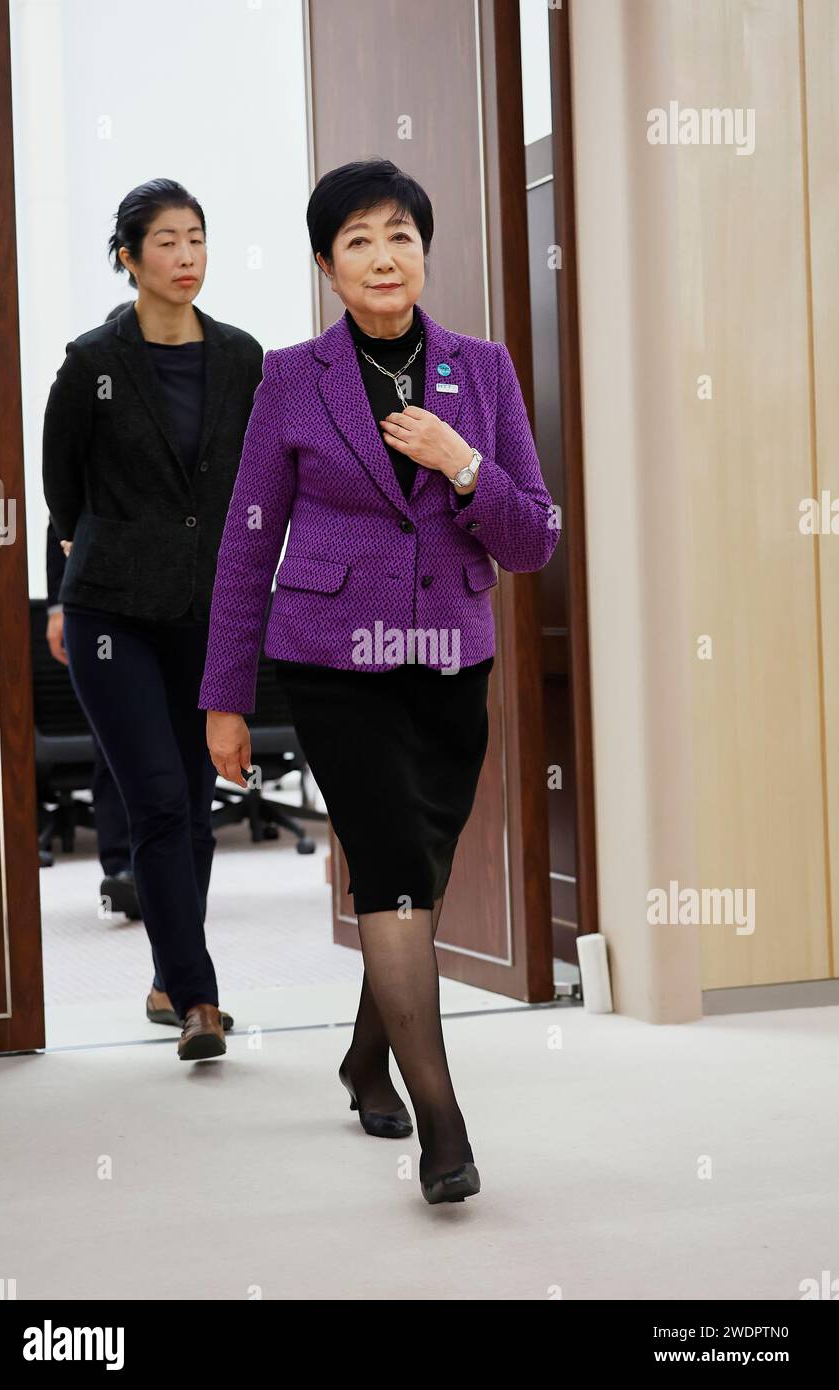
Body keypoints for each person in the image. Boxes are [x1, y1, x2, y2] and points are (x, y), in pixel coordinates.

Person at [198, 158, 561, 1203]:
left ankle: (364, 1059)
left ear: (423, 251)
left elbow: (531, 536)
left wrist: (461, 464)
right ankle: (442, 1127)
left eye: (397, 233)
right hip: (331, 663)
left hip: (449, 659)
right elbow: (244, 541)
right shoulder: (289, 378)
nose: (381, 255)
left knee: (422, 880)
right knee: (393, 875)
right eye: (356, 239)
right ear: (326, 265)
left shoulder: (481, 371)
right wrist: (226, 694)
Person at [42, 178, 264, 1057]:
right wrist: (70, 589)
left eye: (197, 240)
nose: (186, 258)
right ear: (129, 258)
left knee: (197, 806)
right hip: (113, 610)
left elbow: (259, 479)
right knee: (160, 801)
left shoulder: (244, 358)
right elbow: (64, 494)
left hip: (208, 606)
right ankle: (200, 1002)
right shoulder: (92, 361)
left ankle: (172, 976)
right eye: (166, 242)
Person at [45, 304, 142, 928]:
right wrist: (60, 606)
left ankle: (172, 869)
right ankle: (122, 869)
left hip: (181, 605)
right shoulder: (87, 421)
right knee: (117, 742)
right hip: (104, 605)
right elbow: (62, 519)